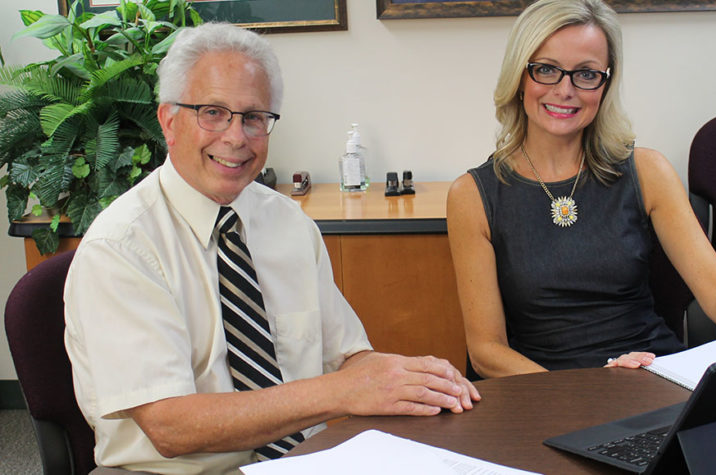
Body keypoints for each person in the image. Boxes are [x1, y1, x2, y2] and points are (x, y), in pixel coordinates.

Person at [64, 22, 479, 474]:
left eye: (254, 117)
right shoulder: (120, 247)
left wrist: (414, 380)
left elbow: (349, 357)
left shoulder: (289, 223)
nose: (236, 137)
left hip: (302, 463)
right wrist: (343, 390)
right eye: (213, 112)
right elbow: (170, 427)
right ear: (169, 122)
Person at [447, 0, 716, 379]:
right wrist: (584, 393)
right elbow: (487, 352)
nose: (565, 90)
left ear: (605, 83)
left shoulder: (648, 170)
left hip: (653, 372)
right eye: (546, 69)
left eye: (586, 73)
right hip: (549, 390)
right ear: (519, 76)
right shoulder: (472, 195)